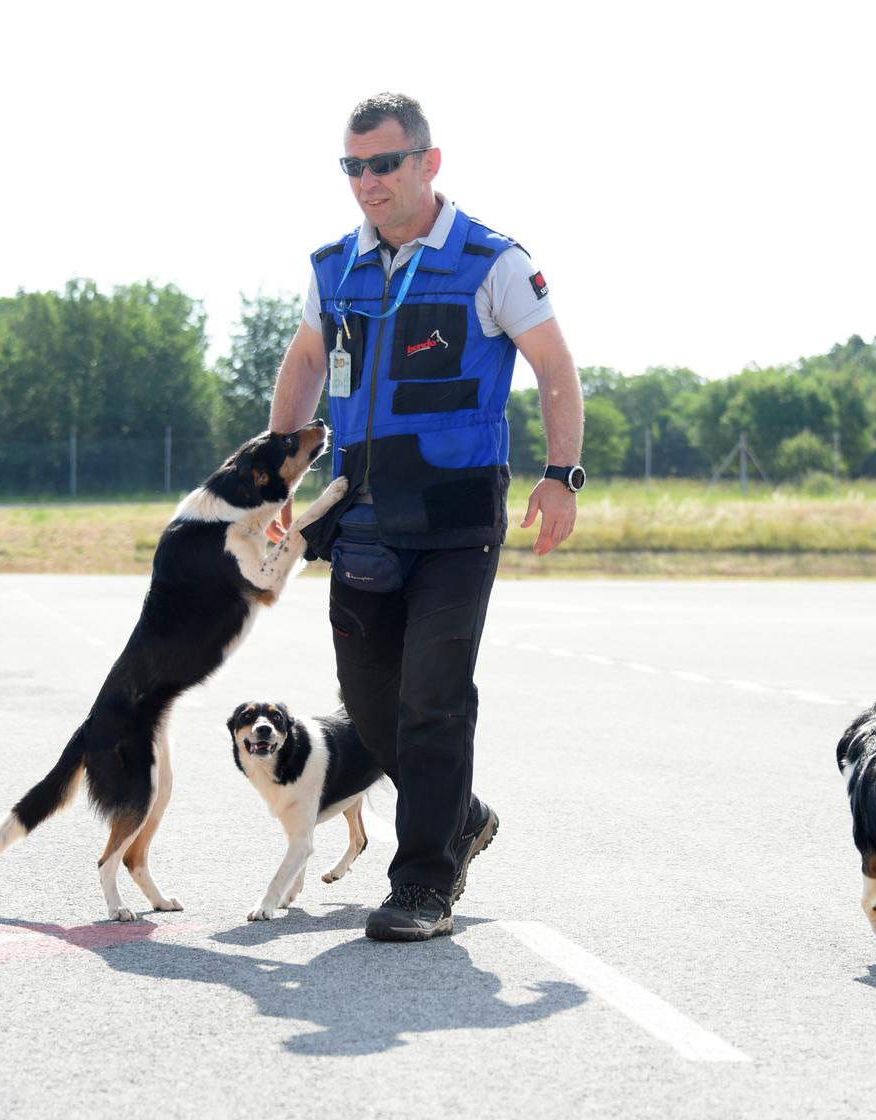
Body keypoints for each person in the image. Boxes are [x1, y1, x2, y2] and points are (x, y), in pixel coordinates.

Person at [268, 93, 585, 942]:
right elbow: (304, 360)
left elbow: (553, 364)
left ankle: (423, 884)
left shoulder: (491, 261)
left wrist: (562, 476)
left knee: (434, 700)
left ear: (428, 162)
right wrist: (277, 470)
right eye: (353, 166)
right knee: (370, 707)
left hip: (456, 522)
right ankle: (463, 815)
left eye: (384, 163)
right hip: (363, 516)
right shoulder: (332, 267)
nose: (367, 182)